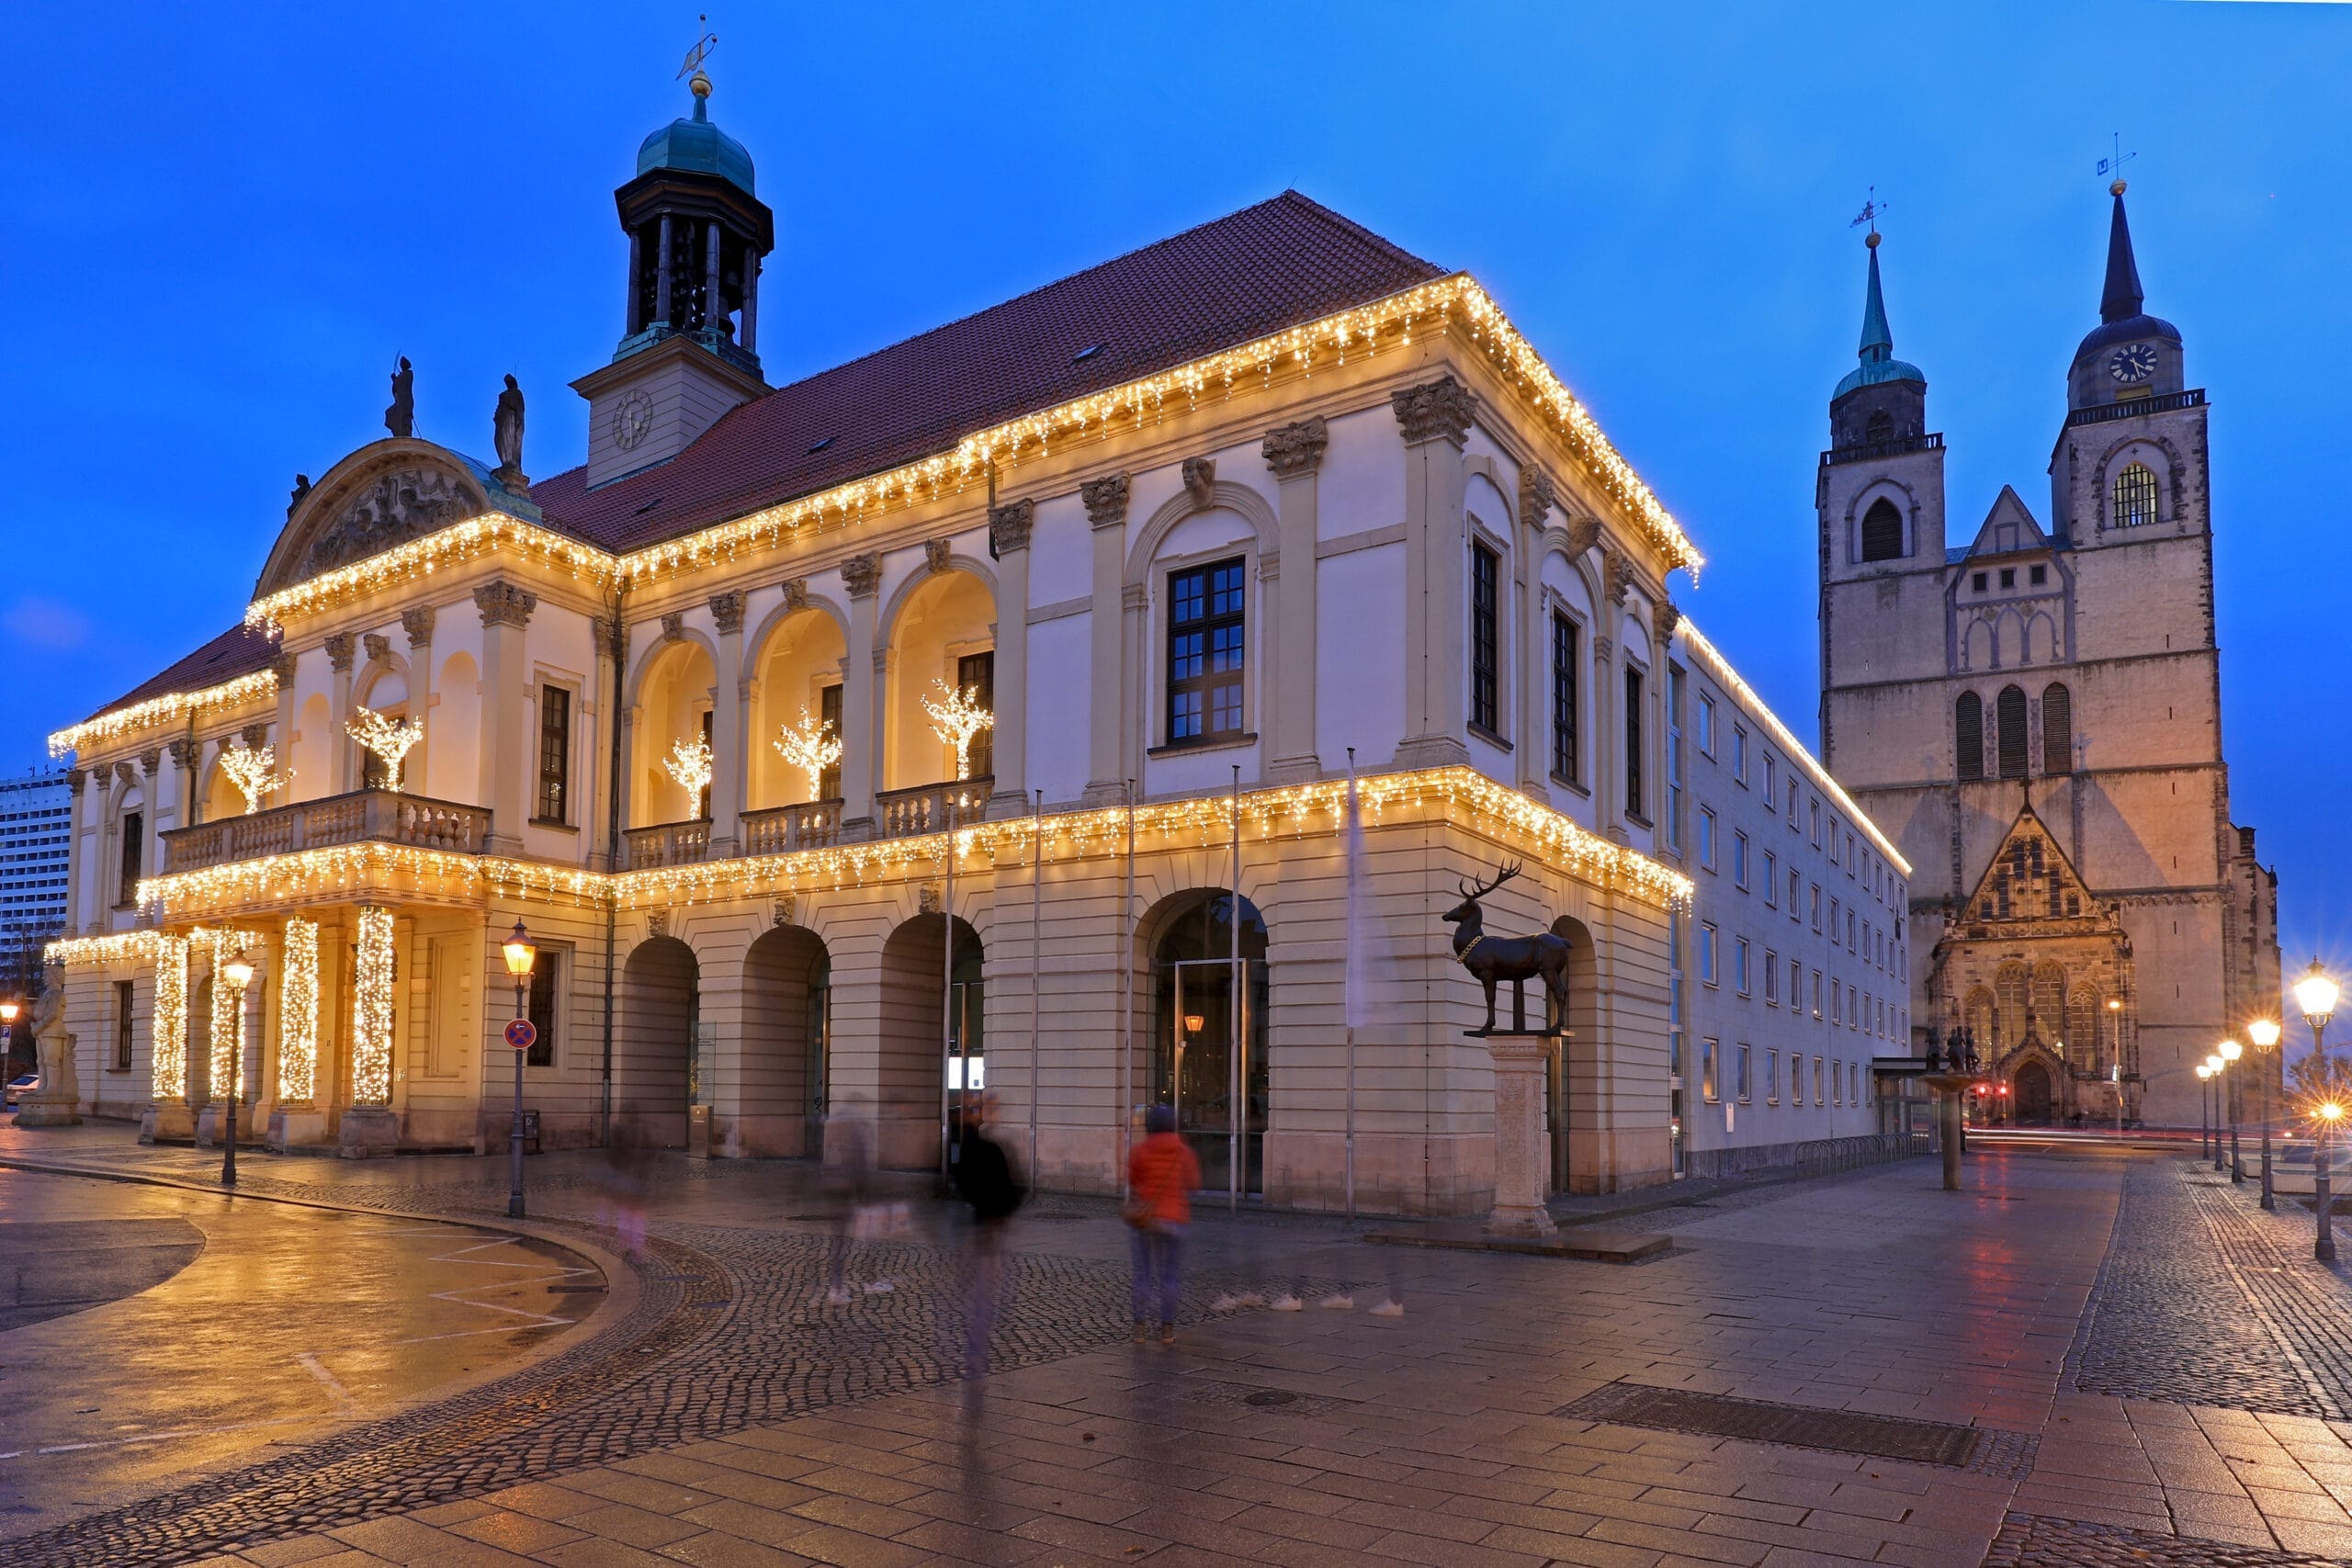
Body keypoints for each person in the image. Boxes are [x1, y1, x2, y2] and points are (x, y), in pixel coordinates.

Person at [949, 1092, 1023, 1382]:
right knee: (984, 1286)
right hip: (988, 1222)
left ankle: (974, 1338)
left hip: (980, 1221)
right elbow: (1006, 1184)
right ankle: (976, 1340)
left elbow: (962, 1182)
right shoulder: (987, 1147)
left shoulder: (974, 1145)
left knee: (979, 1283)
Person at [1126, 1105, 1200, 1345]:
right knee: (1169, 1276)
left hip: (1146, 1219)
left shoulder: (1139, 1150)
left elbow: (1132, 1179)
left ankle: (1139, 1328)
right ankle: (1167, 1329)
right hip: (1175, 1219)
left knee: (1143, 1274)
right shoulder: (1183, 1151)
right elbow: (1193, 1182)